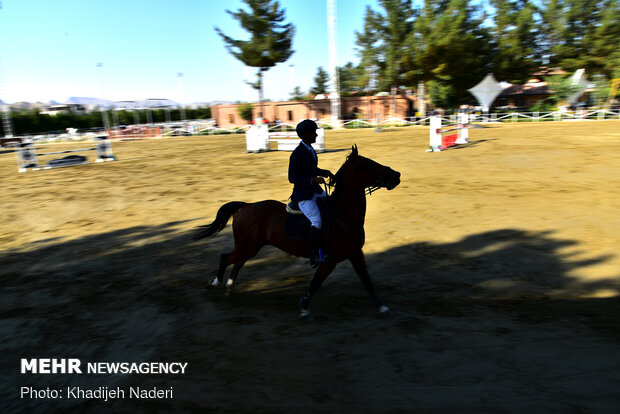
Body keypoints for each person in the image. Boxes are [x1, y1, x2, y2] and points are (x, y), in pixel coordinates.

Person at [288, 119, 334, 268]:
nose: (316, 134)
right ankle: (314, 255)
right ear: (306, 135)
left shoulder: (309, 149)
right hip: (303, 195)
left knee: (332, 206)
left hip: (315, 191)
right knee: (317, 221)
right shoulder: (296, 154)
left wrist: (325, 172)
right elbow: (292, 177)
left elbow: (312, 169)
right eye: (314, 132)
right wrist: (312, 180)